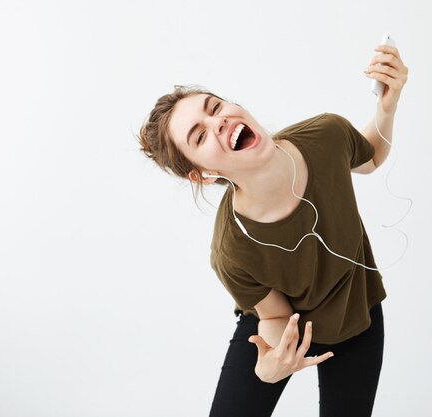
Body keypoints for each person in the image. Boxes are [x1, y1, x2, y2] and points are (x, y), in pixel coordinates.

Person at [138, 44, 408, 417]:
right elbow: (275, 314)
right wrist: (269, 369)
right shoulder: (231, 248)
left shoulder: (326, 135)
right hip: (279, 321)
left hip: (354, 314)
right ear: (203, 174)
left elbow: (372, 156)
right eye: (199, 137)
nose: (216, 122)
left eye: (215, 107)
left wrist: (387, 105)